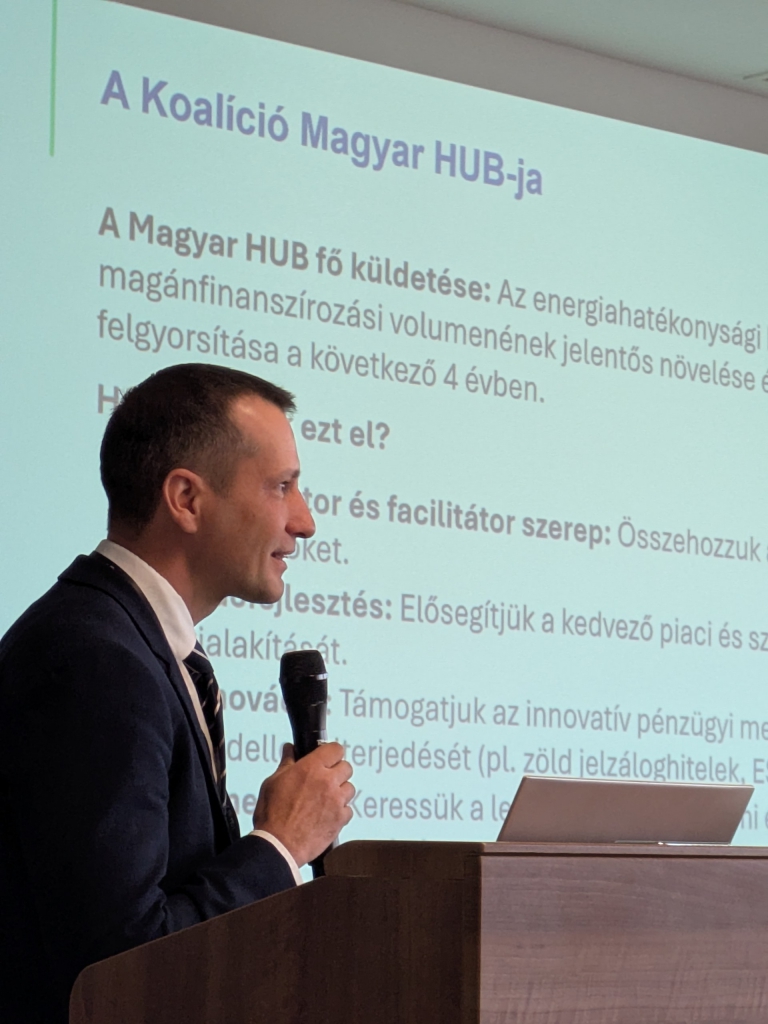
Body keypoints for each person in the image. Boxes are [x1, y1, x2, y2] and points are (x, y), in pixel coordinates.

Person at [0, 364, 354, 1024]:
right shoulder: (96, 658)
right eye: (282, 487)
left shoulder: (130, 643)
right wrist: (280, 845)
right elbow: (120, 962)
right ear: (186, 499)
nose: (305, 522)